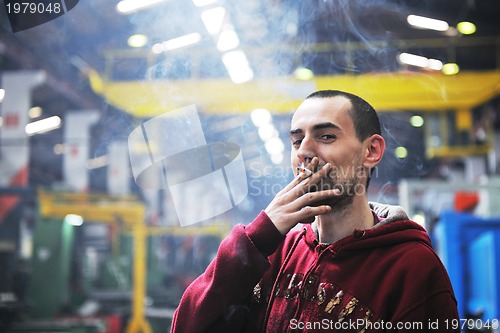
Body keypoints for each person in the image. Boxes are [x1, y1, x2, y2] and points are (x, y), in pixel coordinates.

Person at [170, 90, 459, 332]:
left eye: (326, 137)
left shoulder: (412, 269)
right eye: (297, 141)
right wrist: (257, 238)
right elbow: (186, 326)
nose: (304, 151)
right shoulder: (273, 252)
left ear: (371, 151)